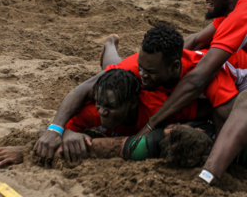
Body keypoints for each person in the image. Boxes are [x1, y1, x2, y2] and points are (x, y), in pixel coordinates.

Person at [32, 24, 238, 163]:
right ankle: (109, 46)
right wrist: (57, 129)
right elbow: (84, 89)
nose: (142, 75)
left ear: (174, 67)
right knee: (114, 73)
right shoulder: (139, 68)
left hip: (232, 79)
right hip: (143, 80)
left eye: (150, 72)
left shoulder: (207, 73)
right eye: (141, 68)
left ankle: (110, 49)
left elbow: (225, 114)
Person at [129, 0, 247, 185]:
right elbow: (193, 42)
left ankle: (207, 179)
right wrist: (144, 66)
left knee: (235, 101)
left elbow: (198, 77)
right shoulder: (230, 15)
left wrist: (151, 125)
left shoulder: (243, 12)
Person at [0, 69, 213, 166]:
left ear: (132, 104)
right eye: (99, 106)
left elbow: (207, 109)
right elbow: (53, 133)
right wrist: (67, 132)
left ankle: (111, 46)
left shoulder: (157, 106)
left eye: (109, 108)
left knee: (114, 63)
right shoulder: (93, 112)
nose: (102, 113)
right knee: (110, 68)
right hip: (117, 80)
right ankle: (109, 45)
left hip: (133, 80)